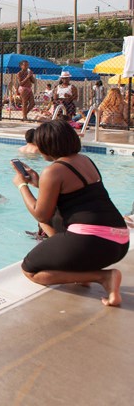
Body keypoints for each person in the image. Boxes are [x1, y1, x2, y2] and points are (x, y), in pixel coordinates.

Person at [12, 120, 127, 307]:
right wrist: (39, 183)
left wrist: (22, 186)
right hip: (120, 241)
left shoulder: (54, 171)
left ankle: (103, 277)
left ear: (47, 146)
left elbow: (40, 214)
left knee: (30, 270)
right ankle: (81, 272)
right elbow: (74, 196)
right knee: (54, 217)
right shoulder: (86, 161)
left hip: (92, 243)